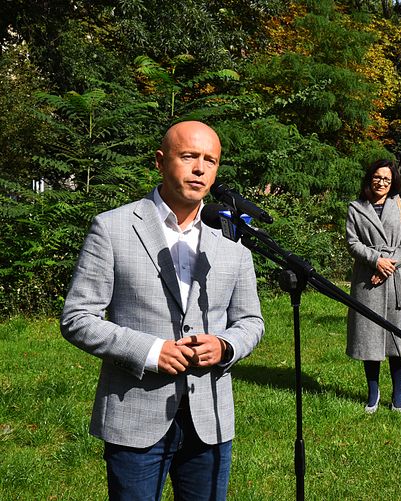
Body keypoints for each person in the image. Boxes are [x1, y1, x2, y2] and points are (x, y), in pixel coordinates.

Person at [60, 121, 265, 500]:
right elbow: (78, 318)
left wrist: (225, 346)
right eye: (188, 156)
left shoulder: (232, 237)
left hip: (211, 418)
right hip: (135, 415)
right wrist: (152, 352)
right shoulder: (112, 228)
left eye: (210, 160)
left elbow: (250, 320)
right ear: (160, 161)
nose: (200, 169)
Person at [346, 159, 401, 413]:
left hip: (396, 278)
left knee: (398, 338)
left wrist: (390, 265)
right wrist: (376, 261)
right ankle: (373, 393)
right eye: (377, 177)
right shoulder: (356, 208)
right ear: (370, 178)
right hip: (367, 279)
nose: (381, 182)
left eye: (386, 178)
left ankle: (398, 393)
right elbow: (352, 242)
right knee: (369, 339)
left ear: (393, 181)